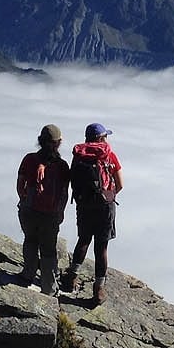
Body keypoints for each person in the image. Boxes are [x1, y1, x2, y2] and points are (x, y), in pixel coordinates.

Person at [64, 122, 123, 304]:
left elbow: (72, 179)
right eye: (105, 136)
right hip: (105, 206)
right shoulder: (108, 154)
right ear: (100, 138)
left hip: (83, 204)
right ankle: (98, 289)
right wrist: (108, 196)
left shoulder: (79, 156)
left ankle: (72, 277)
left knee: (83, 240)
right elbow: (120, 184)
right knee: (101, 247)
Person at [15, 124, 70, 294]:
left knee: (30, 241)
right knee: (48, 251)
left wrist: (23, 200)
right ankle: (49, 288)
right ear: (58, 143)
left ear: (40, 141)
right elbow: (64, 193)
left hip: (29, 210)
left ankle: (27, 274)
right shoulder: (62, 166)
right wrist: (60, 212)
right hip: (50, 215)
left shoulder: (29, 159)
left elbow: (20, 185)